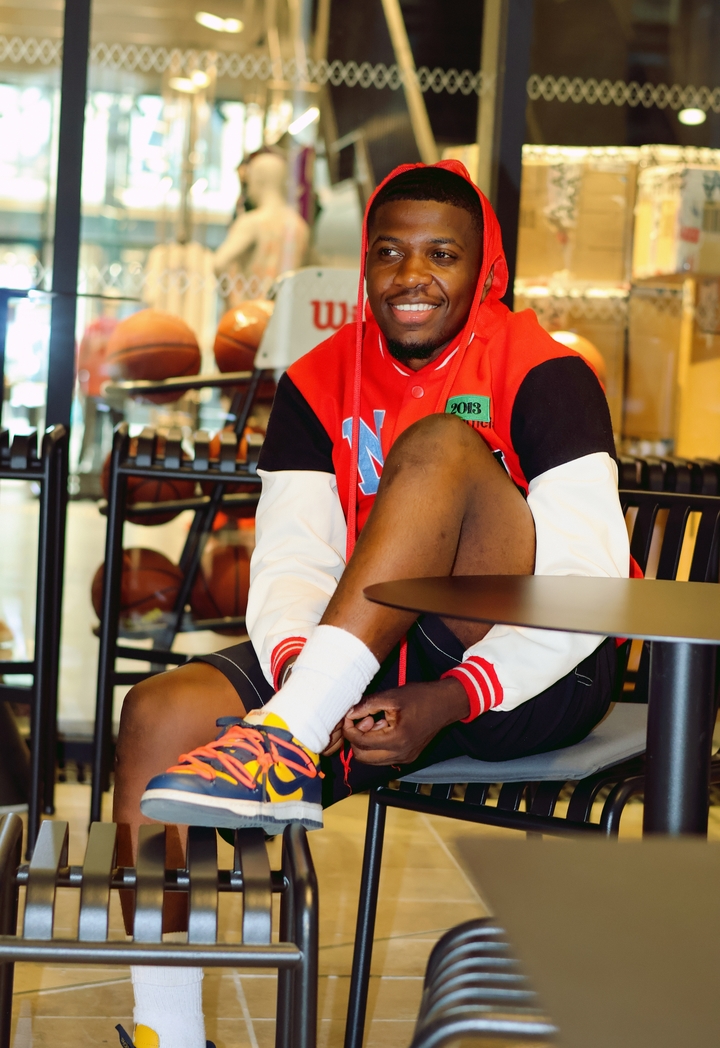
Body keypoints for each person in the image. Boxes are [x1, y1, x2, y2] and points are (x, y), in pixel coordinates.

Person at [114, 160, 630, 1048]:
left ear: (485, 270)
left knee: (438, 447)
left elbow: (587, 584)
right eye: (389, 252)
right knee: (158, 713)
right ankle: (169, 1033)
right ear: (364, 263)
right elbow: (292, 558)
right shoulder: (318, 378)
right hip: (365, 654)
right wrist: (298, 667)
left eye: (442, 255)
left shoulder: (545, 372)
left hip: (530, 664)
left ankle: (287, 736)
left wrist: (448, 698)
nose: (411, 275)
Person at [213, 150, 309, 307]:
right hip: (284, 314)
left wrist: (235, 303)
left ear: (259, 182)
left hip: (252, 315)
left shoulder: (252, 222)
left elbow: (220, 262)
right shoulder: (300, 226)